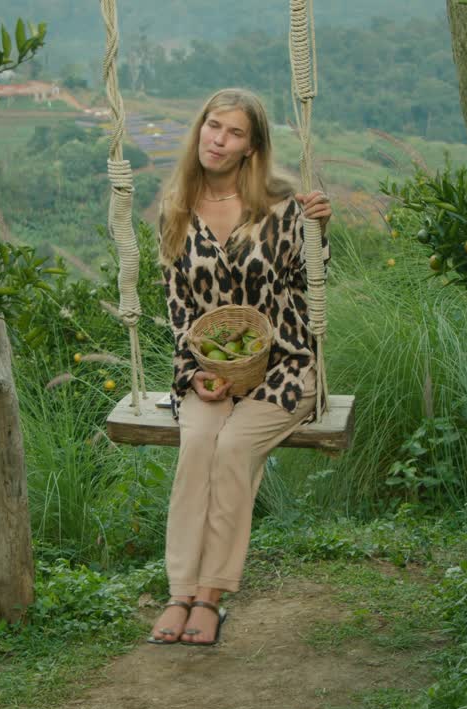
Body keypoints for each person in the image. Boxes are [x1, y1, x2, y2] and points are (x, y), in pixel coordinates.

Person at [148, 88, 331, 646]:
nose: (217, 140)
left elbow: (313, 283)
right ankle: (179, 590)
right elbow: (179, 309)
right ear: (199, 128)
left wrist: (321, 230)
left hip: (284, 368)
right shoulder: (176, 208)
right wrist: (192, 374)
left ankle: (211, 596)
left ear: (251, 148)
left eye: (232, 133)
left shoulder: (281, 207)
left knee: (231, 450)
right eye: (212, 126)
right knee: (198, 445)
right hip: (209, 369)